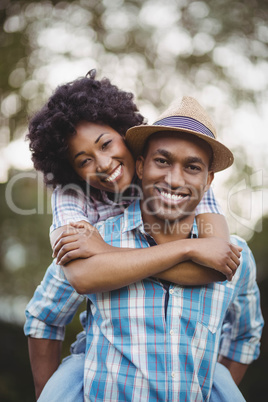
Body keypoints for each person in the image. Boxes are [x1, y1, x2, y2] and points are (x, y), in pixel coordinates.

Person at [25, 92, 263, 400]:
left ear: (208, 180)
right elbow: (56, 304)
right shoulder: (84, 227)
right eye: (162, 161)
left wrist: (207, 385)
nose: (175, 179)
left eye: (192, 167)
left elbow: (238, 315)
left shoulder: (227, 242)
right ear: (142, 165)